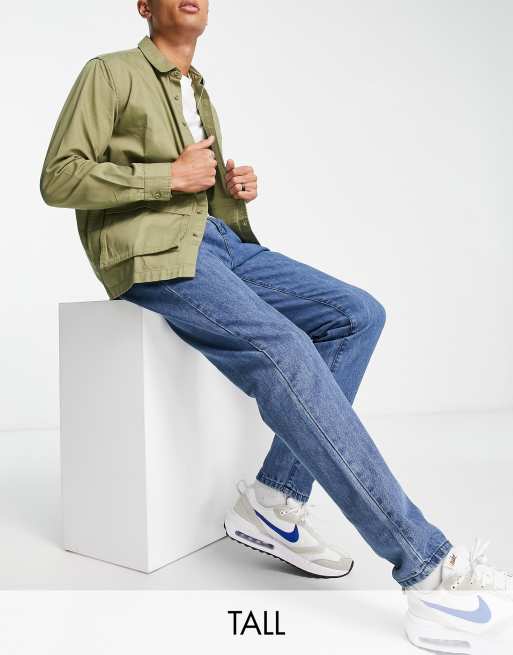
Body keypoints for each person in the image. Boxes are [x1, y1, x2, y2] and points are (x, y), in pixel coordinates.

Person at [39, 0, 512, 650]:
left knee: (357, 314)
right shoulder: (110, 72)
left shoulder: (196, 89)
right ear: (143, 5)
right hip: (150, 251)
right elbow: (59, 177)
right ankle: (425, 566)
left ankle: (274, 498)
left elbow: (195, 197)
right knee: (284, 348)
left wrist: (227, 191)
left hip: (216, 242)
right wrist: (166, 175)